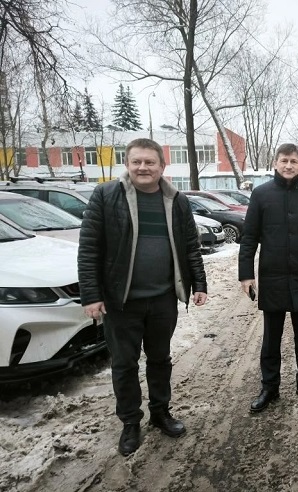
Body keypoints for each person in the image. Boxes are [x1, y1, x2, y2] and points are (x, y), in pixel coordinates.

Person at [77, 138, 207, 456]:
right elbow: (89, 249)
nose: (143, 167)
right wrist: (91, 295)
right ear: (127, 164)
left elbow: (190, 245)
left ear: (162, 166)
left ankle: (160, 412)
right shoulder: (106, 196)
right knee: (125, 364)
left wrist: (199, 283)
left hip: (163, 298)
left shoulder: (176, 200)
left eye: (150, 162)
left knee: (160, 360)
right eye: (136, 161)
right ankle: (130, 422)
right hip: (122, 301)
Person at [238, 143, 298, 412]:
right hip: (273, 276)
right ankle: (269, 386)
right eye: (284, 160)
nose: (289, 165)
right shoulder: (261, 194)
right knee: (271, 336)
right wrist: (246, 274)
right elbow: (249, 236)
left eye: (294, 161)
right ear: (275, 163)